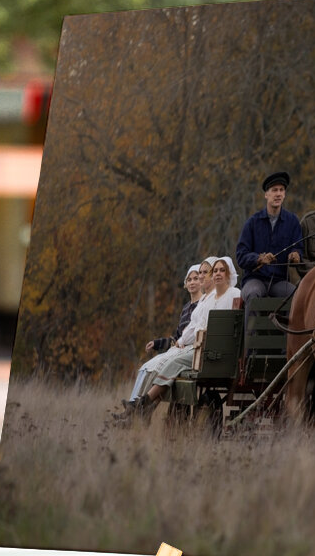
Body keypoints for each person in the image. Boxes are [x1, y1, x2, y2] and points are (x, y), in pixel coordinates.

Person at [122, 257, 241, 422]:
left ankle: (143, 404)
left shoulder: (235, 294)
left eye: (222, 270)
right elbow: (195, 326)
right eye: (215, 271)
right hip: (201, 347)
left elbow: (230, 327)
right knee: (160, 363)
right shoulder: (210, 299)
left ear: (229, 274)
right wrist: (182, 341)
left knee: (172, 362)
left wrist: (201, 337)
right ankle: (142, 405)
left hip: (217, 352)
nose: (218, 274)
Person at [236, 171, 303, 305]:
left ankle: (287, 327)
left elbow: (299, 247)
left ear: (284, 194)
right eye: (274, 190)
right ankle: (251, 327)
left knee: (298, 296)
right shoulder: (252, 222)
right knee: (253, 293)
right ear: (266, 194)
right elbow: (240, 256)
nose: (278, 194)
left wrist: (296, 255)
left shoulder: (292, 221)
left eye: (281, 190)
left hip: (279, 280)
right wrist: (258, 258)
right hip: (254, 279)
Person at [144, 259, 215, 354]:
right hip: (180, 349)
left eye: (196, 278)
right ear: (186, 284)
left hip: (194, 350)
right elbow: (177, 338)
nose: (192, 282)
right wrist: (157, 343)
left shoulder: (204, 302)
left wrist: (183, 341)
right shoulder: (185, 308)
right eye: (189, 280)